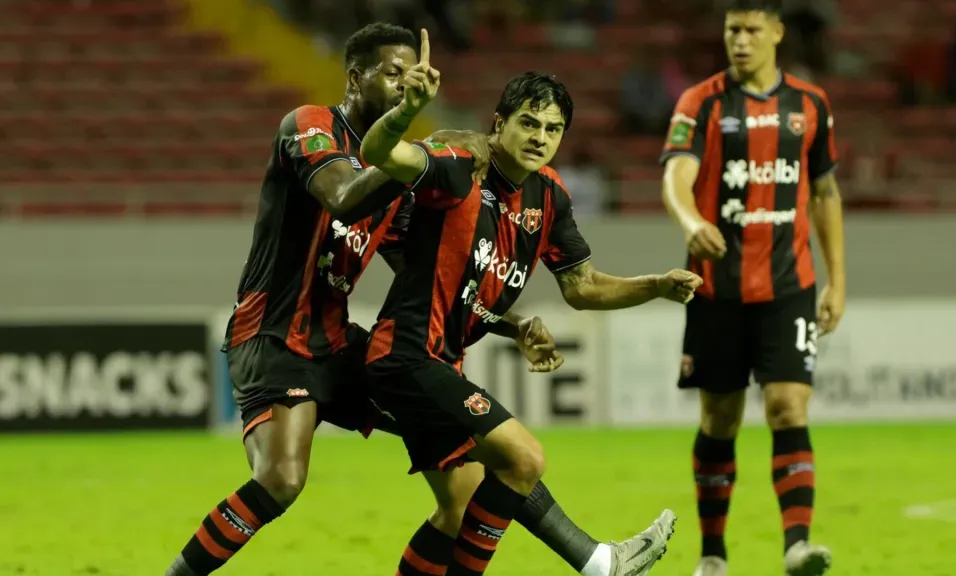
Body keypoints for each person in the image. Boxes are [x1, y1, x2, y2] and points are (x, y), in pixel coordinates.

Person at [163, 22, 673, 576]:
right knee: (282, 481)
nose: (406, 82)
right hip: (274, 333)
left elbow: (433, 271)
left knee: (464, 492)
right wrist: (433, 143)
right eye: (393, 73)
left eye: (413, 73)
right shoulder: (311, 125)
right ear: (355, 79)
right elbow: (341, 199)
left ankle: (594, 559)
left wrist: (514, 322)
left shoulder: (409, 179)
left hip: (340, 344)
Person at [357, 37, 705, 575]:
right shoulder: (461, 166)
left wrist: (654, 285)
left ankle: (597, 563)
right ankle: (599, 565)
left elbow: (582, 287)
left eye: (552, 129)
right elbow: (378, 154)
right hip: (405, 355)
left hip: (440, 360)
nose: (539, 137)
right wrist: (410, 109)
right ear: (499, 123)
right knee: (524, 459)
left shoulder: (550, 197)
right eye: (528, 123)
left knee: (457, 507)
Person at [659, 1, 846, 575]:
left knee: (789, 406)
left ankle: (797, 545)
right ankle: (713, 555)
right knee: (720, 420)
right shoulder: (702, 101)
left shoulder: (810, 104)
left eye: (751, 30)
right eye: (731, 30)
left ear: (777, 33)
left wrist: (838, 280)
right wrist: (692, 223)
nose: (739, 40)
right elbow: (675, 175)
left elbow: (824, 193)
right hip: (717, 288)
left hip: (789, 285)